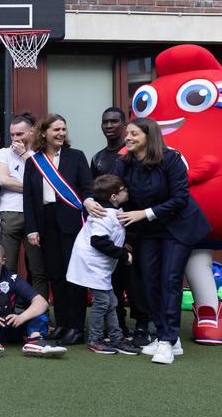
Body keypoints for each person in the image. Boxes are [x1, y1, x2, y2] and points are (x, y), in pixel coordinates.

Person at [84, 118, 211, 365]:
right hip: (150, 230)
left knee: (170, 280)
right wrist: (89, 200)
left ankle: (167, 339)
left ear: (148, 135)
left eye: (133, 133)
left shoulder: (171, 159)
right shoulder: (125, 162)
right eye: (127, 134)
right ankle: (169, 339)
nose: (127, 137)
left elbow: (180, 198)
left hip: (178, 227)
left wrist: (145, 213)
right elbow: (108, 187)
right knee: (150, 281)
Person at [22, 114, 92, 345]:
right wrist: (32, 228)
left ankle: (76, 327)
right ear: (44, 133)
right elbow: (29, 198)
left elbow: (87, 189)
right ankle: (62, 324)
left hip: (72, 222)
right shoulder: (34, 161)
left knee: (74, 277)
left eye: (64, 129)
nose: (61, 133)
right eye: (56, 129)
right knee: (56, 276)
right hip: (46, 223)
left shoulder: (77, 156)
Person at [88, 107, 147, 345]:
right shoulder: (98, 158)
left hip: (133, 226)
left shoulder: (132, 153)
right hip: (108, 226)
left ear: (124, 125)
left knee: (134, 278)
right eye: (105, 122)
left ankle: (143, 324)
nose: (109, 125)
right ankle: (118, 325)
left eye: (114, 121)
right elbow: (96, 191)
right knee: (112, 278)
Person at [66, 175, 141, 355]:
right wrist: (124, 255)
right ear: (113, 197)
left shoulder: (113, 212)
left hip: (99, 266)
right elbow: (98, 241)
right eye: (124, 190)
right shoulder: (104, 215)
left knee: (111, 301)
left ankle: (116, 338)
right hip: (91, 264)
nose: (127, 192)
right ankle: (95, 339)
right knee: (102, 302)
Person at [0, 113, 46, 298]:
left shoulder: (40, 154)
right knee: (6, 265)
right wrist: (34, 189)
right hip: (10, 213)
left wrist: (24, 155)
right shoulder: (3, 152)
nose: (15, 139)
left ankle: (39, 313)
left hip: (35, 214)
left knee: (38, 267)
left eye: (20, 134)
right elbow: (3, 180)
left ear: (32, 131)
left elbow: (44, 181)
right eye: (13, 135)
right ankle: (5, 309)